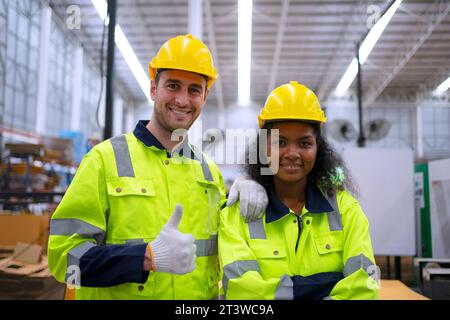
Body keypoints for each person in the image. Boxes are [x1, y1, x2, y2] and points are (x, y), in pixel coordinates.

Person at [47, 34, 266, 300]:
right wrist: (144, 258)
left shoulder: (210, 173)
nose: (183, 100)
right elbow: (63, 262)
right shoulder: (103, 160)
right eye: (173, 85)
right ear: (153, 89)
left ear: (205, 97)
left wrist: (251, 183)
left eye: (194, 89)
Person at [218, 81, 379, 300]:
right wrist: (326, 284)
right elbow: (242, 293)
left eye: (304, 143)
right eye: (280, 142)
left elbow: (364, 287)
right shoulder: (235, 215)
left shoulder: (346, 209)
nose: (292, 153)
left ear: (318, 148)